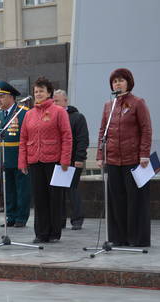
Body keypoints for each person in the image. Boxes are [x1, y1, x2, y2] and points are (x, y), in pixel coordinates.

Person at [97, 68, 152, 247]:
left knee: (135, 200)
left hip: (133, 160)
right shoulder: (108, 105)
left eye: (121, 80)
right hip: (113, 159)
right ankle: (119, 238)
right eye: (114, 81)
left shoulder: (138, 103)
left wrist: (144, 154)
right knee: (117, 200)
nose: (117, 84)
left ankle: (137, 238)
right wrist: (100, 154)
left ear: (128, 82)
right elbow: (102, 132)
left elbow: (146, 129)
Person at [18, 77, 72, 243]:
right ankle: (41, 233)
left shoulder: (59, 111)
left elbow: (67, 136)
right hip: (35, 161)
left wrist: (65, 160)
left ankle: (54, 233)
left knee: (54, 198)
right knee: (39, 199)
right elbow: (23, 139)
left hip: (54, 161)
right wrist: (23, 161)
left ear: (49, 93)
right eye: (36, 91)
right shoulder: (28, 114)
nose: (38, 94)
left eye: (41, 91)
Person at [0, 81, 31, 228]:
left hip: (18, 156)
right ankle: (11, 216)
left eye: (2, 96)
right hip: (3, 157)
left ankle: (21, 217)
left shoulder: (23, 112)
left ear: (11, 97)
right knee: (9, 190)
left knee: (22, 189)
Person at [54, 89, 89, 230]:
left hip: (74, 160)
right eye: (53, 101)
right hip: (57, 159)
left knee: (72, 190)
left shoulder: (77, 117)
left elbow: (82, 139)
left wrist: (80, 158)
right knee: (58, 191)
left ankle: (77, 219)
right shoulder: (52, 116)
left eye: (57, 101)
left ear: (65, 101)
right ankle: (60, 220)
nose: (54, 103)